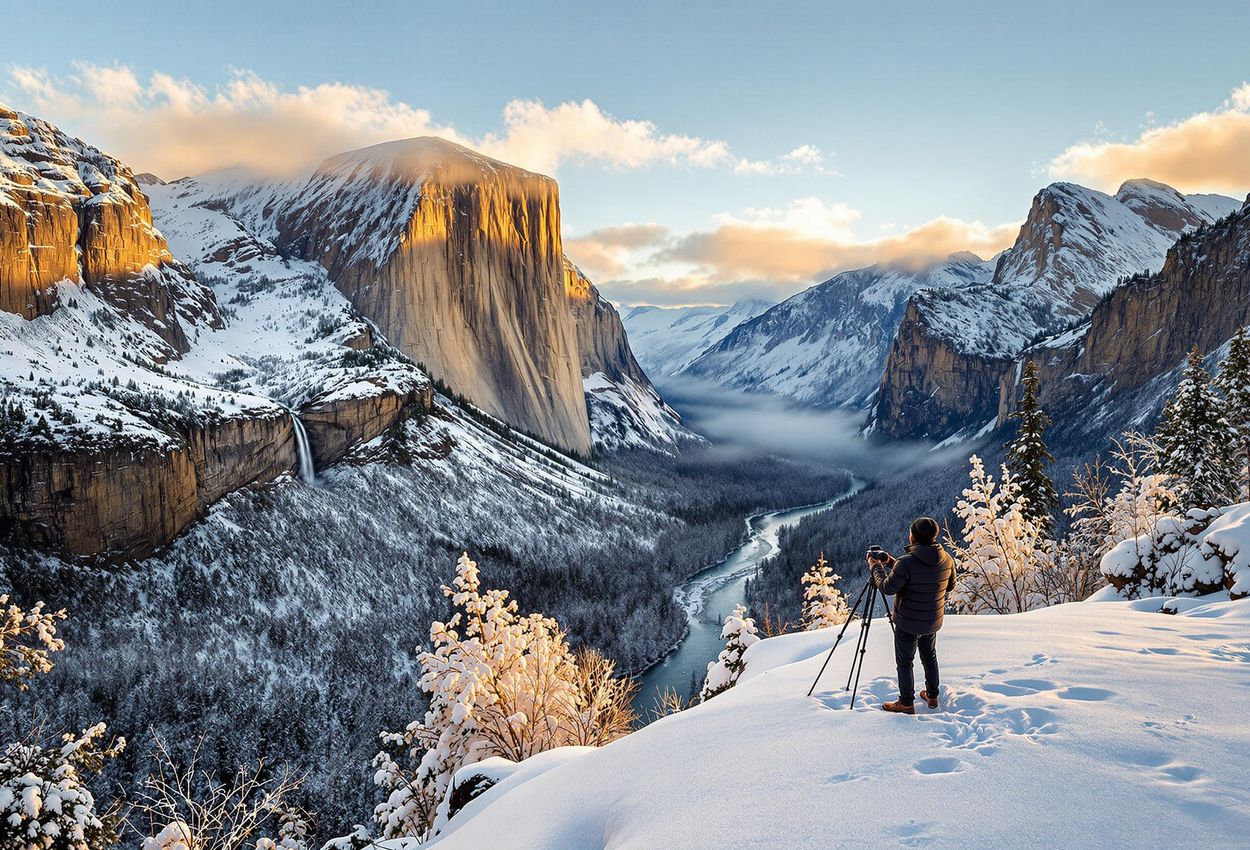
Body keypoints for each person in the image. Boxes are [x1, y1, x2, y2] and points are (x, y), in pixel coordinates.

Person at [867, 517, 957, 715]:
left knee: (905, 662)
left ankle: (906, 703)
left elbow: (887, 587)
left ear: (913, 536)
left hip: (908, 623)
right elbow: (949, 585)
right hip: (932, 620)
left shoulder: (907, 563)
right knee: (929, 657)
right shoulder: (947, 559)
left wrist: (876, 567)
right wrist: (891, 562)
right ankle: (932, 696)